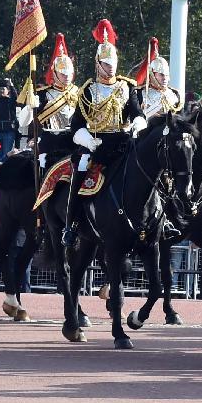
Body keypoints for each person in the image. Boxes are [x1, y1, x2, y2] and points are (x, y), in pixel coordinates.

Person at [63, 19, 146, 247]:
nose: (111, 67)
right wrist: (88, 141)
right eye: (106, 64)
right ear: (98, 63)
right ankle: (72, 225)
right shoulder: (88, 90)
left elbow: (137, 112)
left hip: (123, 142)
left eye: (114, 63)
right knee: (79, 176)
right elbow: (76, 124)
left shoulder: (127, 87)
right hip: (97, 145)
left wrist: (139, 124)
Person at [34, 33, 78, 171]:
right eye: (63, 74)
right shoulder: (43, 93)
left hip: (72, 140)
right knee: (43, 168)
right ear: (55, 73)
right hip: (50, 140)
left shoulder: (78, 92)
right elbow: (26, 122)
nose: (67, 77)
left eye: (69, 74)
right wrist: (30, 107)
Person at [140, 55, 182, 120]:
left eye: (166, 75)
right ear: (152, 75)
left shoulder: (175, 94)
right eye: (161, 75)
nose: (165, 78)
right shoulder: (140, 93)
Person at [0, 80, 19, 162]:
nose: (1, 91)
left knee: (7, 154)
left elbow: (16, 97)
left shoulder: (10, 102)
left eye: (3, 89)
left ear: (7, 91)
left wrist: (11, 86)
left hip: (8, 133)